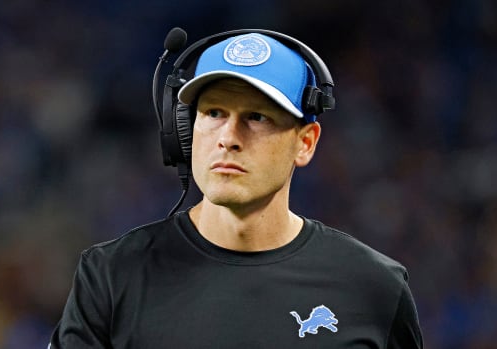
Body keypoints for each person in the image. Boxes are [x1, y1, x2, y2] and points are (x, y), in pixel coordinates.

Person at [49, 31, 423, 348]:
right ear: (184, 131)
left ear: (305, 143)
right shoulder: (111, 277)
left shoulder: (374, 288)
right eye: (213, 113)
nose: (228, 138)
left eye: (257, 117)